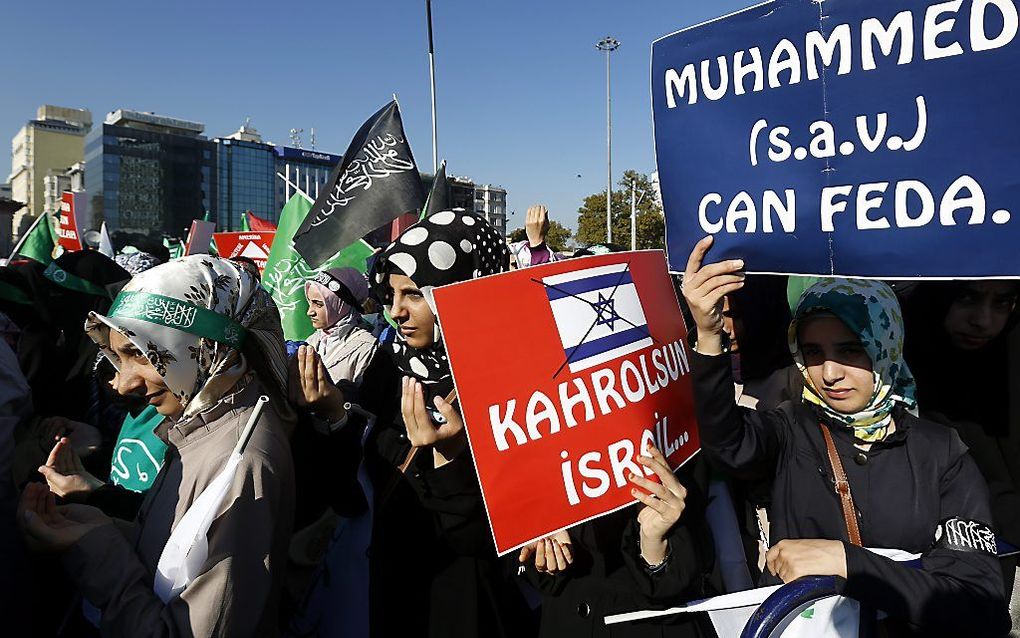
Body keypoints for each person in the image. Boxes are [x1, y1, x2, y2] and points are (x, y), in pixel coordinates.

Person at [682, 236, 1009, 636]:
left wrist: (846, 562)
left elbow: (981, 605)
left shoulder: (941, 451)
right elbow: (728, 445)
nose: (830, 373)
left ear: (886, 347)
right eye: (813, 352)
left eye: (851, 350)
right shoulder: (790, 429)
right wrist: (709, 336)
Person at [17, 255, 296, 637]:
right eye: (119, 357)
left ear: (202, 346)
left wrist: (94, 547)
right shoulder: (201, 425)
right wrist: (105, 524)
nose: (124, 383)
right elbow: (174, 559)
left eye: (140, 354)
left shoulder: (242, 462)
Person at [289, 210, 532, 637]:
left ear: (463, 290)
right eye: (391, 295)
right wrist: (334, 416)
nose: (395, 312)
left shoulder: (515, 378)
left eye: (415, 294)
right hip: (387, 583)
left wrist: (450, 459)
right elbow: (358, 486)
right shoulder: (390, 366)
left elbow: (488, 533)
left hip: (466, 599)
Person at [902, 280, 1020, 631]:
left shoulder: (1010, 354)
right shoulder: (895, 373)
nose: (983, 320)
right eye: (966, 297)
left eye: (1003, 302)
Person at [516, 449, 716, 637]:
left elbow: (690, 561)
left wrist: (654, 544)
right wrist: (537, 539)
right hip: (568, 620)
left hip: (652, 620)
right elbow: (514, 553)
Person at [303, 267, 377, 386]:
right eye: (310, 302)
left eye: (319, 304)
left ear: (341, 305)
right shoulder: (313, 340)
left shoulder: (366, 347)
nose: (310, 311)